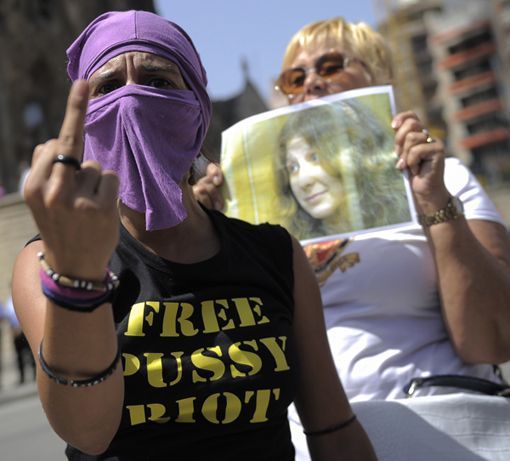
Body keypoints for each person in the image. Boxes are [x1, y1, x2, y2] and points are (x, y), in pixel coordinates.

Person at [11, 10, 376, 461]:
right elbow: (88, 433)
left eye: (158, 80)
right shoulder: (48, 262)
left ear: (198, 109)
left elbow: (333, 429)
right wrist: (78, 275)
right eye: (106, 87)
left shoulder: (275, 253)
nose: (132, 100)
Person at [193, 16, 510, 401]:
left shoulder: (446, 180)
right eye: (294, 79)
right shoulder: (253, 211)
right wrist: (204, 233)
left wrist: (435, 203)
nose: (311, 82)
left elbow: (493, 341)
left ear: (380, 79)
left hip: (440, 415)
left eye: (331, 66)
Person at [275, 99, 409, 240]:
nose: (303, 181)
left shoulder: (403, 216)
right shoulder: (295, 249)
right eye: (293, 168)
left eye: (315, 157)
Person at [1, 292, 35, 385]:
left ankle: (35, 374)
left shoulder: (23, 298)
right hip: (15, 332)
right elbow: (6, 316)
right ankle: (22, 377)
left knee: (31, 353)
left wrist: (21, 327)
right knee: (19, 356)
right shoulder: (8, 302)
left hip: (24, 330)